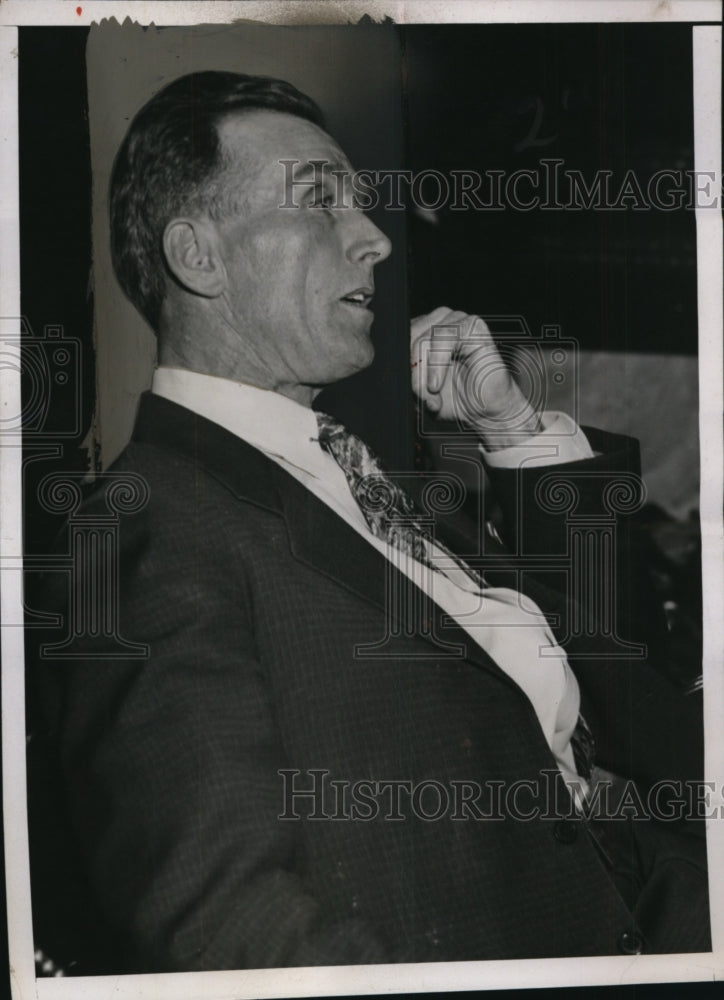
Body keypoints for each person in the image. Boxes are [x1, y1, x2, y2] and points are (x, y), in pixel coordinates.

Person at [29, 71, 709, 974]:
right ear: (200, 257)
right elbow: (222, 921)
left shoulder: (369, 479)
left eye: (361, 204)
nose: (377, 239)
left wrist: (511, 433)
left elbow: (612, 665)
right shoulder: (150, 524)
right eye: (320, 203)